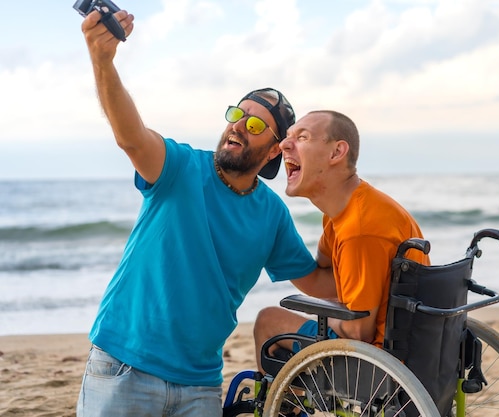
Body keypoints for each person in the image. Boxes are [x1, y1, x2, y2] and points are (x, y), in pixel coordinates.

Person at [76, 9, 335, 417]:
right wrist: (102, 61)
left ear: (272, 151)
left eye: (254, 125)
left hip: (200, 384)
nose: (238, 126)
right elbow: (130, 137)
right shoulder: (179, 167)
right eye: (236, 114)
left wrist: (343, 219)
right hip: (125, 367)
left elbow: (318, 282)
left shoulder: (271, 213)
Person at [253, 110, 430, 370]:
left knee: (268, 321)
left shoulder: (359, 229)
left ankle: (288, 410)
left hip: (378, 361)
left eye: (302, 137)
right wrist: (276, 245)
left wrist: (325, 316)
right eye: (287, 137)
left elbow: (359, 331)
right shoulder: (347, 211)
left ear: (337, 153)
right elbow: (326, 279)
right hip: (409, 344)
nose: (283, 145)